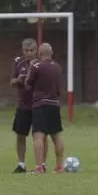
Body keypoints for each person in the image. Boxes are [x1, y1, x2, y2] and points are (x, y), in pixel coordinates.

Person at [26, 42, 66, 174]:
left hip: (40, 105)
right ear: (51, 53)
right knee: (56, 135)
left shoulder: (36, 66)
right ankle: (60, 166)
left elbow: (28, 83)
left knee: (38, 136)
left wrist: (31, 68)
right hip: (54, 104)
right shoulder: (58, 67)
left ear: (39, 54)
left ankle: (39, 168)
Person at [10, 38, 38, 173]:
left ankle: (41, 164)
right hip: (23, 105)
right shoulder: (18, 62)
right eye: (26, 50)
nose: (29, 53)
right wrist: (18, 79)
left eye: (32, 50)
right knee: (20, 135)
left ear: (36, 50)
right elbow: (12, 81)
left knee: (39, 136)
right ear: (23, 50)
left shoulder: (41, 63)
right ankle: (21, 164)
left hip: (38, 104)